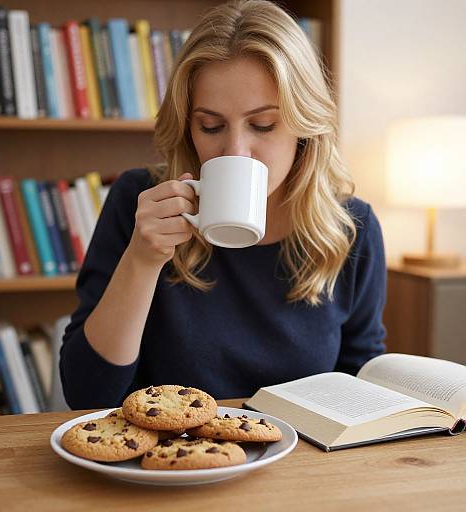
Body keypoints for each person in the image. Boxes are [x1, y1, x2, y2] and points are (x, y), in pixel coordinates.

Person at [60, 0, 386, 409]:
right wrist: (142, 262)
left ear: (304, 125)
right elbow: (86, 395)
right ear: (188, 126)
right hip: (168, 463)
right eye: (210, 126)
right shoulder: (139, 202)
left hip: (300, 465)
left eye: (263, 125)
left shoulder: (352, 229)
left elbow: (360, 392)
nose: (235, 151)